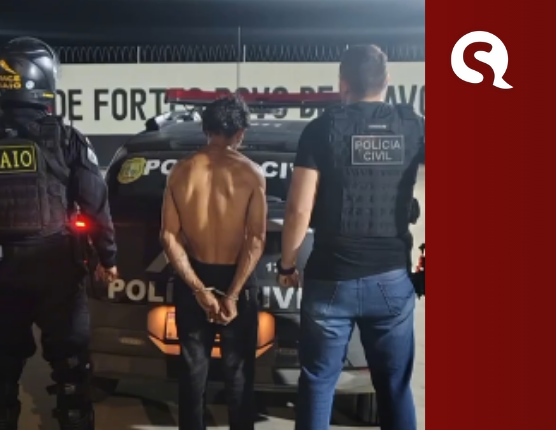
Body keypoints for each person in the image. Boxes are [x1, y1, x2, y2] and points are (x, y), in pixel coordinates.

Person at [0, 37, 118, 430]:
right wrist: (108, 258)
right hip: (58, 271)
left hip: (2, 271)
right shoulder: (66, 137)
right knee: (71, 372)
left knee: (2, 371)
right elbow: (95, 203)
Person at [277, 45, 425, 430]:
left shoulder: (321, 129)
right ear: (387, 81)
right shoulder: (414, 126)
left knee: (317, 382)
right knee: (394, 387)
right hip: (391, 279)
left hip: (330, 280)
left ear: (342, 83)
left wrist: (287, 265)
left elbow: (298, 210)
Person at [159, 95, 267, 430]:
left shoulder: (180, 171)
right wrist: (232, 294)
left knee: (192, 371)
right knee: (239, 372)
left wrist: (199, 289)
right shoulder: (251, 174)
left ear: (205, 129)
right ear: (240, 132)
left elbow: (168, 236)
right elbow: (256, 239)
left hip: (195, 275)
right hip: (238, 278)